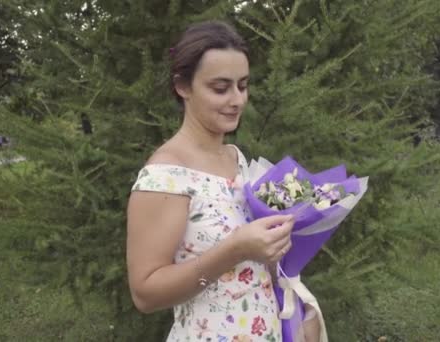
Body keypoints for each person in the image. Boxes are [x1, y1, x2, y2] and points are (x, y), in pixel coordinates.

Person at [127, 20, 322, 341]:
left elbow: (254, 272)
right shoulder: (165, 176)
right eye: (220, 88)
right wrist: (233, 250)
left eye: (242, 85)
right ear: (183, 86)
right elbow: (146, 295)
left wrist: (291, 289)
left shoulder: (236, 159)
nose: (237, 100)